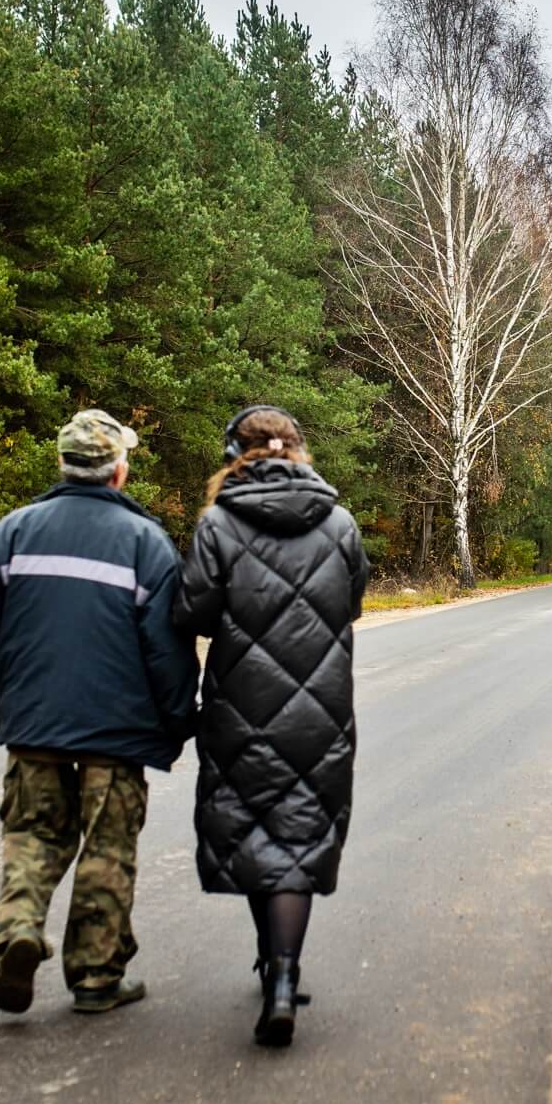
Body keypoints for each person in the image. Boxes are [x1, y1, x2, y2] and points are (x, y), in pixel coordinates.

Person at [0, 408, 197, 1016]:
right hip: (118, 733)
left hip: (33, 723)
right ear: (118, 471)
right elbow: (167, 650)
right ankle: (95, 977)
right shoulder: (145, 543)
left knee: (32, 833)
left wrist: (2, 707)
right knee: (108, 849)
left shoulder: (13, 532)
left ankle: (19, 928)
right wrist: (177, 721)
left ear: (62, 464)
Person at [174, 405, 368, 1046]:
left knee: (257, 829)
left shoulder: (218, 524)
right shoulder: (339, 523)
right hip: (321, 709)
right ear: (299, 451)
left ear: (236, 454)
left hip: (240, 704)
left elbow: (194, 612)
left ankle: (271, 967)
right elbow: (352, 603)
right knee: (298, 834)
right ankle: (283, 975)